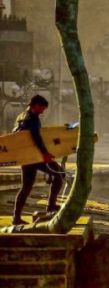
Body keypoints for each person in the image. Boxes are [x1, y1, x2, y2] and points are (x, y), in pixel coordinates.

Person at [12, 95, 64, 225]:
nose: (43, 111)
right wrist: (45, 153)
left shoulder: (22, 116)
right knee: (59, 174)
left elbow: (16, 134)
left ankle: (16, 217)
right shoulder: (31, 118)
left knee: (27, 187)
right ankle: (51, 206)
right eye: (42, 108)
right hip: (34, 156)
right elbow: (36, 137)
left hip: (27, 156)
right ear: (35, 105)